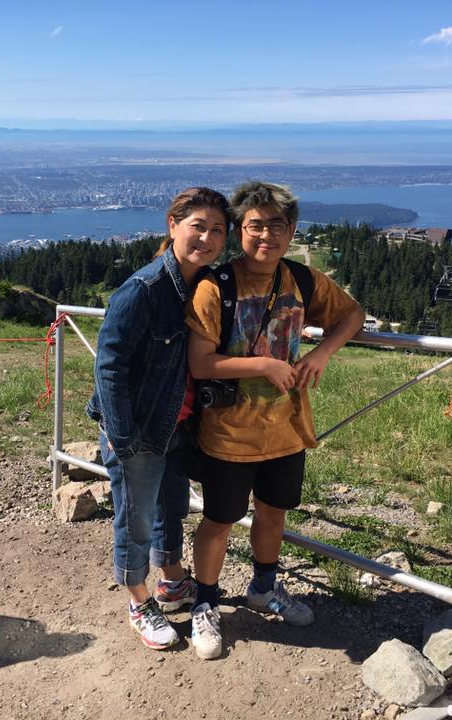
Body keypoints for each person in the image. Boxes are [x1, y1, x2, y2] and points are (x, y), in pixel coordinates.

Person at [184, 181, 365, 659]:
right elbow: (200, 362)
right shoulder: (216, 287)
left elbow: (352, 315)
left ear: (292, 230)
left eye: (276, 226)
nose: (266, 235)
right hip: (228, 431)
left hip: (286, 429)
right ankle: (205, 603)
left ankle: (264, 588)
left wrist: (323, 353)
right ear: (239, 231)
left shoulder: (302, 280)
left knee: (273, 512)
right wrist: (264, 365)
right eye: (255, 226)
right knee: (219, 520)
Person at [86, 187, 230, 650]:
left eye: (217, 230)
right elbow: (109, 366)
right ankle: (138, 600)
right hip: (139, 429)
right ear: (173, 225)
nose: (207, 238)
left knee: (171, 507)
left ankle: (171, 580)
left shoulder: (205, 285)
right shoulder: (144, 289)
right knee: (136, 519)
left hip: (176, 425)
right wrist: (122, 435)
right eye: (198, 226)